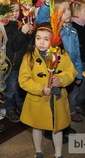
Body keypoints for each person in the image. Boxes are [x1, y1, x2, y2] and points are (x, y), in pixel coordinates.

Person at [18, 23, 77, 158]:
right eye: (38, 38)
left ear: (54, 39)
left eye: (46, 39)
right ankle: (38, 151)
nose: (41, 42)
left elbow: (71, 72)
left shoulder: (62, 54)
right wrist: (40, 88)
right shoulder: (29, 57)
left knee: (57, 127)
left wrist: (60, 79)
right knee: (37, 126)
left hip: (56, 99)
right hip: (38, 100)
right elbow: (23, 80)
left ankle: (58, 153)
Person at [35, 0, 83, 123]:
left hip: (69, 71)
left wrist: (78, 72)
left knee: (66, 98)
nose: (69, 12)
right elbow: (40, 20)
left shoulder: (72, 30)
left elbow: (77, 53)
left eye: (69, 9)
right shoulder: (54, 30)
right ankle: (54, 126)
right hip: (56, 71)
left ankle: (64, 123)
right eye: (65, 10)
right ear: (55, 13)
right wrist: (46, 4)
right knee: (56, 100)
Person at [4, 0, 33, 122]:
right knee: (10, 89)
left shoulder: (20, 24)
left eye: (16, 10)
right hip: (12, 65)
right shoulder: (4, 27)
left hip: (22, 63)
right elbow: (13, 45)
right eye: (11, 10)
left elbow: (26, 44)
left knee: (20, 87)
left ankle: (20, 106)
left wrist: (29, 33)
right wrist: (22, 32)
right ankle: (9, 108)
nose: (14, 13)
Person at [70, 0, 85, 116]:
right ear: (76, 13)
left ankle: (79, 104)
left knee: (82, 86)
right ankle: (72, 109)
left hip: (83, 61)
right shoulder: (74, 27)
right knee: (75, 87)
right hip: (78, 61)